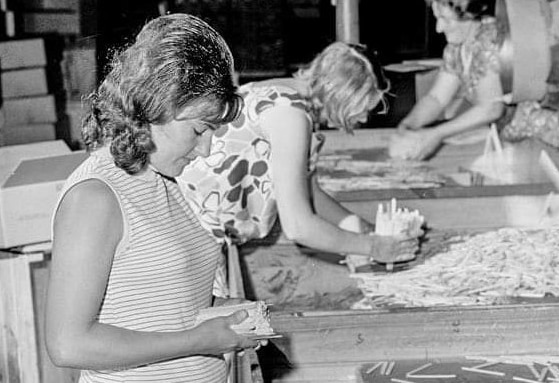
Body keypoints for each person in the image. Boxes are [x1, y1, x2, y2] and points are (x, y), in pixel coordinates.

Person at [45, 13, 260, 383]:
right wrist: (197, 340)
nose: (206, 148)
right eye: (198, 130)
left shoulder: (162, 181)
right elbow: (68, 344)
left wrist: (223, 315)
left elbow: (158, 306)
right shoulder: (97, 196)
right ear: (156, 104)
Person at [177, 42, 422, 297]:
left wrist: (359, 226)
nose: (362, 120)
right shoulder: (289, 114)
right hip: (195, 241)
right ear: (344, 94)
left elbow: (308, 194)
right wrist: (371, 246)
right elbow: (298, 226)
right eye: (363, 108)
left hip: (196, 232)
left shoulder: (282, 94)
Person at [389, 0, 505, 161]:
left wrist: (436, 134)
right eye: (437, 18)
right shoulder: (457, 47)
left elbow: (491, 107)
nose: (438, 28)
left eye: (446, 19)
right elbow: (436, 98)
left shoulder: (489, 38)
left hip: (531, 139)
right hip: (500, 138)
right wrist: (409, 125)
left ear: (469, 15)